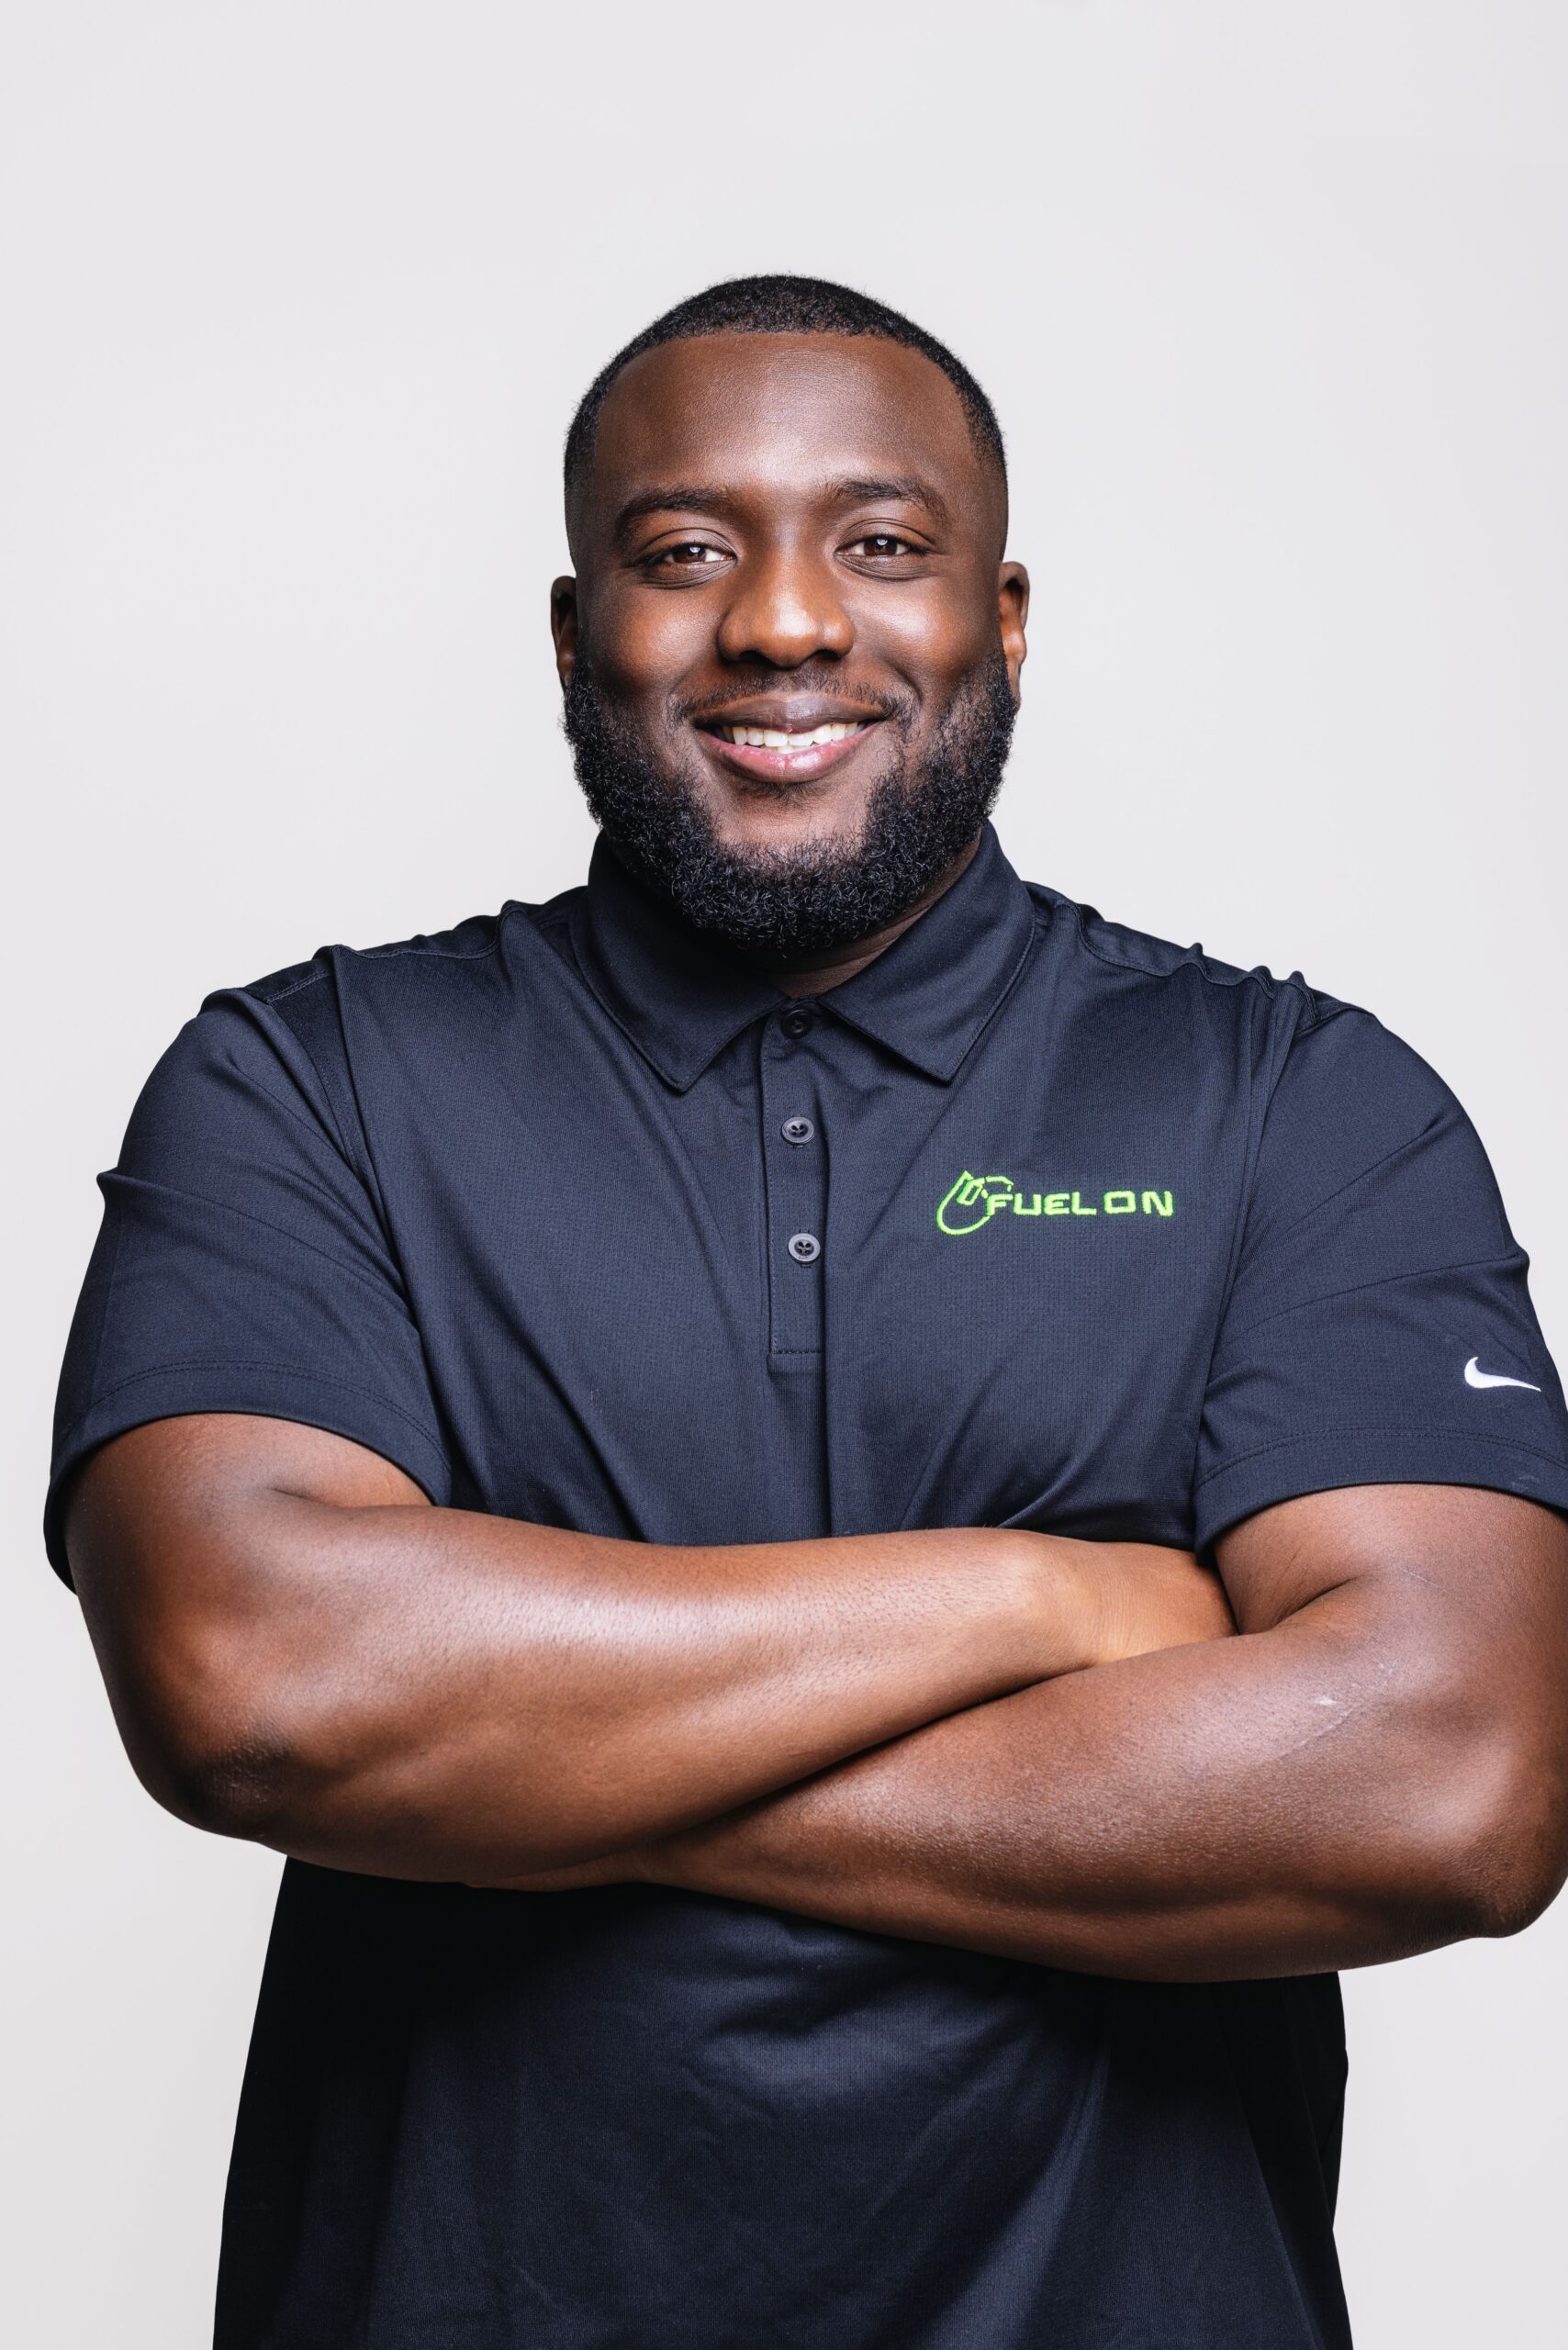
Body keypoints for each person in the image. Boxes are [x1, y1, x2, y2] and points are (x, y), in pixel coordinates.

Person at [48, 275, 1568, 2350]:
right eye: (683, 551)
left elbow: (1449, 1778)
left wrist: (520, 1766)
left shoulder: (1296, 1107)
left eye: (880, 543)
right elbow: (256, 1678)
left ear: (1001, 616)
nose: (779, 621)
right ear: (575, 633)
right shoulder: (306, 1081)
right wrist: (1042, 1602)